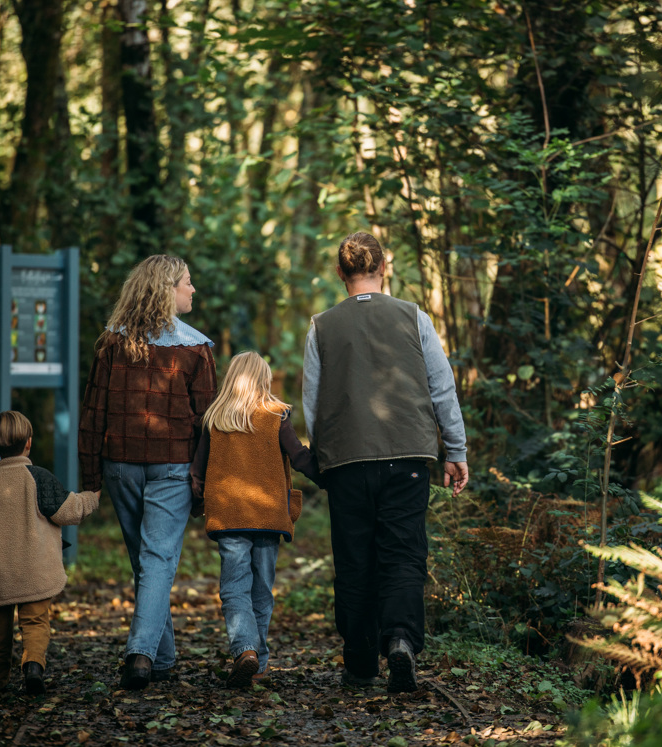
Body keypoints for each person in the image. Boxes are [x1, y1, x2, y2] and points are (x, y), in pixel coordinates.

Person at [303, 231, 470, 693]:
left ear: (341, 273)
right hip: (410, 454)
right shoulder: (414, 317)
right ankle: (399, 639)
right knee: (403, 552)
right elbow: (442, 388)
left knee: (355, 559)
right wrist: (455, 450)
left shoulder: (321, 326)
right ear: (385, 268)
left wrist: (324, 457)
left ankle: (359, 662)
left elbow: (313, 403)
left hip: (347, 460)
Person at [78, 254, 218, 690]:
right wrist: (205, 481)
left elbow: (92, 414)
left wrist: (91, 480)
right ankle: (141, 651)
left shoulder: (111, 344)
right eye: (187, 283)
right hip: (171, 467)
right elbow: (207, 425)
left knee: (147, 562)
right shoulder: (196, 349)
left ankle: (158, 659)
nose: (193, 290)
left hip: (120, 465)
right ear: (166, 290)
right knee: (156, 561)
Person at [190, 351, 320, 688]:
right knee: (262, 590)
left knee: (234, 589)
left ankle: (245, 651)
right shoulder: (276, 415)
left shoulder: (215, 418)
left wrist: (195, 500)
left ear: (231, 379)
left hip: (229, 516)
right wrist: (330, 478)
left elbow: (197, 471)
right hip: (268, 516)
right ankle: (257, 662)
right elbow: (300, 457)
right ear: (264, 379)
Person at [0, 410, 101, 695]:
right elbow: (67, 511)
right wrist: (91, 499)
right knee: (35, 623)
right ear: (29, 443)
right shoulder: (39, 478)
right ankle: (33, 666)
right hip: (35, 572)